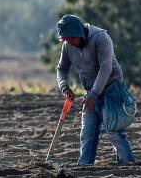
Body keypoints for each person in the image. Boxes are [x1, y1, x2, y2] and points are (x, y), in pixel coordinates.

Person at [55, 14, 136, 165]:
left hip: (112, 90)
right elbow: (62, 69)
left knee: (113, 132)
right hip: (90, 92)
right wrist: (64, 86)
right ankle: (85, 167)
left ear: (79, 33)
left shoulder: (100, 37)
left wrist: (93, 95)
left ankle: (128, 165)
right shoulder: (68, 46)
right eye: (65, 39)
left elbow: (106, 68)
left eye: (71, 38)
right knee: (87, 133)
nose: (69, 42)